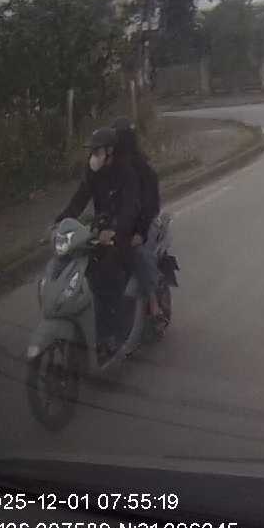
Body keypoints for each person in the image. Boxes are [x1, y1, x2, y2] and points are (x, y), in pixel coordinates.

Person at [56, 127, 140, 356]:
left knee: (107, 274)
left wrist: (115, 231)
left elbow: (131, 208)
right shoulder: (93, 172)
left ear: (110, 151)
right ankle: (89, 324)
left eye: (97, 151)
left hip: (124, 232)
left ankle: (113, 333)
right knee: (80, 269)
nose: (92, 156)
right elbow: (79, 199)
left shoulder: (126, 173)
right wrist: (59, 222)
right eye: (91, 151)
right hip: (100, 231)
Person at [111, 117, 160, 311]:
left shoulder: (142, 167)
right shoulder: (112, 167)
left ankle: (153, 298)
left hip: (145, 223)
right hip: (122, 223)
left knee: (139, 252)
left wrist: (140, 231)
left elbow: (150, 204)